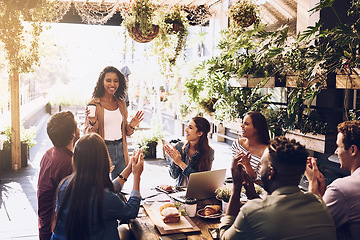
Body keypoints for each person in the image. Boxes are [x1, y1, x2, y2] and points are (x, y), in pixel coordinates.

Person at [220, 136, 336, 240]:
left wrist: (236, 189)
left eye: (261, 165)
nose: (260, 170)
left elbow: (224, 236)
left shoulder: (252, 211)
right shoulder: (319, 205)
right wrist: (253, 195)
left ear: (271, 171)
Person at [51, 133, 144, 240]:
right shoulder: (105, 198)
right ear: (103, 160)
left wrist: (129, 169)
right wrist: (137, 176)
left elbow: (102, 192)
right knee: (127, 231)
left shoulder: (65, 185)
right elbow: (131, 212)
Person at [84, 66, 144, 180]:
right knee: (103, 185)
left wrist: (132, 125)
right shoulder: (93, 104)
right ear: (102, 82)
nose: (112, 84)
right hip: (103, 149)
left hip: (121, 148)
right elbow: (88, 135)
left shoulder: (121, 103)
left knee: (120, 183)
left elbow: (126, 132)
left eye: (116, 81)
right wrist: (92, 122)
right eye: (108, 80)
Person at [305, 120, 360, 240]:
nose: (336, 152)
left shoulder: (341, 189)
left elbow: (309, 230)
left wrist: (312, 182)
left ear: (352, 150)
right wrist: (322, 194)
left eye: (338, 146)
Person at [37, 111, 80, 240]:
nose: (79, 128)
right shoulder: (68, 164)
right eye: (77, 125)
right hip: (57, 229)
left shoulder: (49, 153)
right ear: (72, 133)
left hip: (44, 222)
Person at [164, 116, 214, 186]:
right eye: (187, 126)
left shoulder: (209, 152)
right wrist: (175, 163)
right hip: (178, 192)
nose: (186, 130)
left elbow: (201, 181)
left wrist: (180, 163)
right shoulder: (179, 146)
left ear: (199, 133)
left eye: (190, 128)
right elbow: (173, 176)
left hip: (196, 192)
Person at [231, 111, 270, 182]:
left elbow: (259, 180)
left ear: (257, 128)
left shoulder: (267, 152)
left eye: (246, 124)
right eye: (242, 122)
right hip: (237, 184)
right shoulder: (237, 144)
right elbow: (235, 171)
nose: (241, 126)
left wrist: (247, 166)